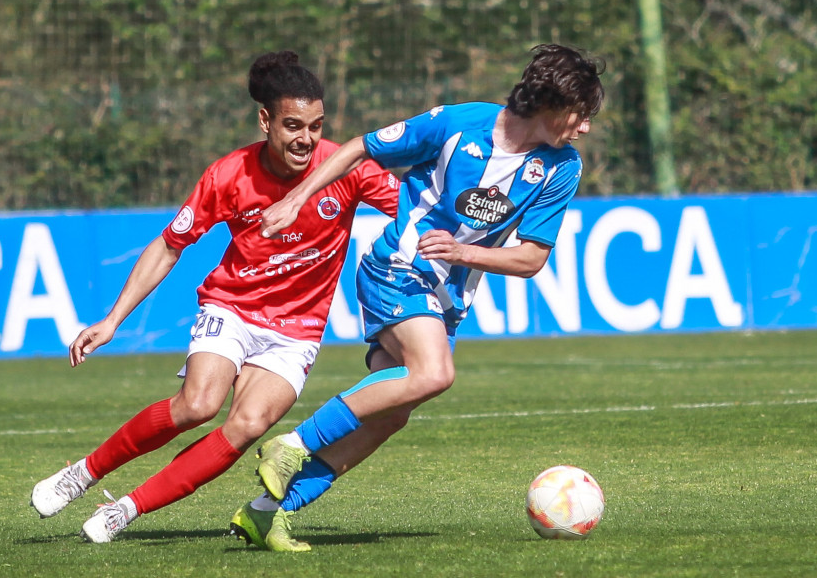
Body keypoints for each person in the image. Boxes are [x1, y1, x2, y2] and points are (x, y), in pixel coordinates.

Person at [231, 43, 605, 552]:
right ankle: (291, 446)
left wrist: (461, 252)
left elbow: (531, 259)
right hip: (397, 269)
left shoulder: (561, 167)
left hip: (446, 297)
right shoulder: (457, 124)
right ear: (554, 103)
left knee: (392, 413)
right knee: (435, 373)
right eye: (581, 115)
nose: (584, 127)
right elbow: (360, 147)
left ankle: (268, 513)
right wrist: (297, 199)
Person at [28, 51, 399, 544]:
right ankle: (84, 473)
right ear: (265, 120)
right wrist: (113, 319)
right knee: (199, 404)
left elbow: (419, 210)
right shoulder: (229, 175)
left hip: (297, 328)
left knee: (247, 427)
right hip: (233, 307)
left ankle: (127, 510)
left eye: (315, 125)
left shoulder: (342, 168)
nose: (306, 139)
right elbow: (168, 245)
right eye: (292, 125)